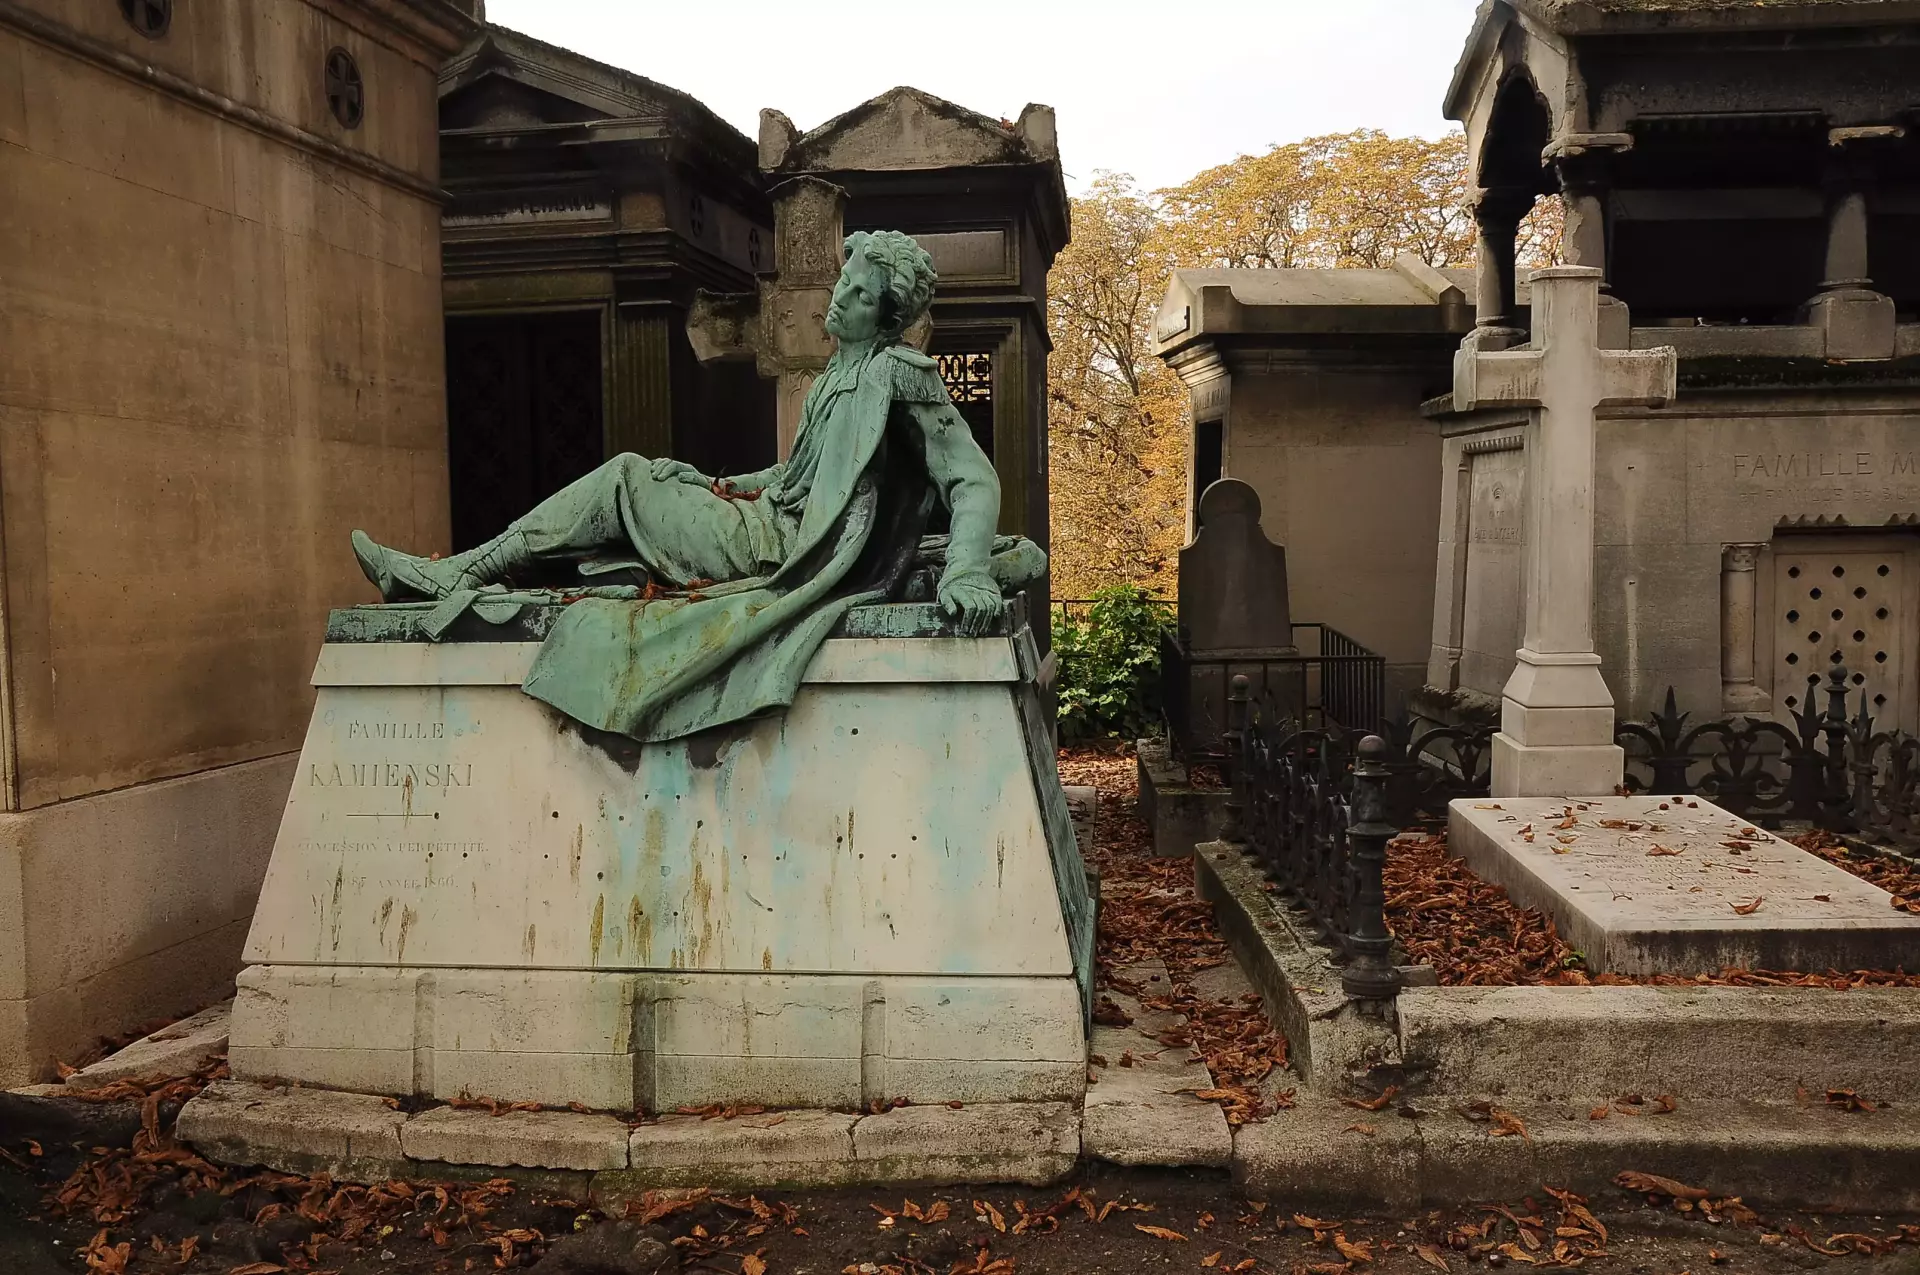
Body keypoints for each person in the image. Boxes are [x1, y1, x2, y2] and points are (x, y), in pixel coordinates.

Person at [348, 230, 1037, 743]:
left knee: (624, 478)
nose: (840, 298)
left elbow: (973, 478)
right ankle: (469, 571)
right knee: (645, 479)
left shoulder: (900, 376)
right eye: (844, 282)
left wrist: (967, 569)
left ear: (886, 317)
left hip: (778, 551)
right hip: (763, 521)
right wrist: (713, 483)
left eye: (860, 296)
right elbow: (792, 477)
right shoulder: (836, 373)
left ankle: (461, 574)